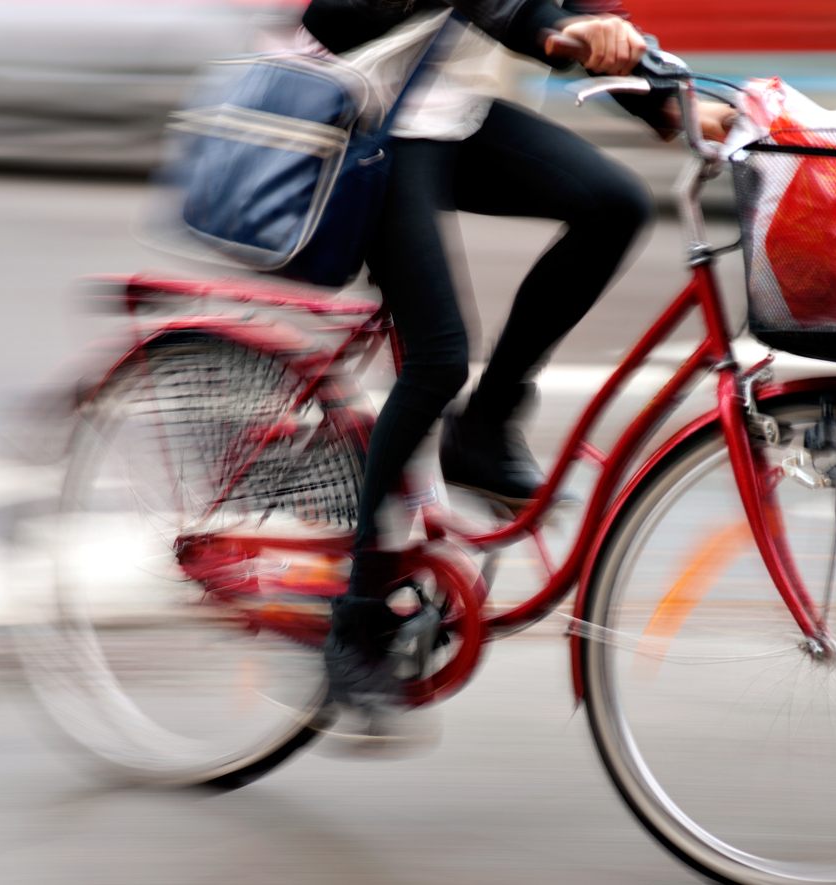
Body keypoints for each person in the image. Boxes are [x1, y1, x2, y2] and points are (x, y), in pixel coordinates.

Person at [303, 0, 734, 717]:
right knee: (436, 359)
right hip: (369, 116)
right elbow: (501, 7)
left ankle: (486, 425)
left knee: (614, 204)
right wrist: (548, 33)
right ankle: (357, 620)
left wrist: (671, 106)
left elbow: (581, 11)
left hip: (451, 115)